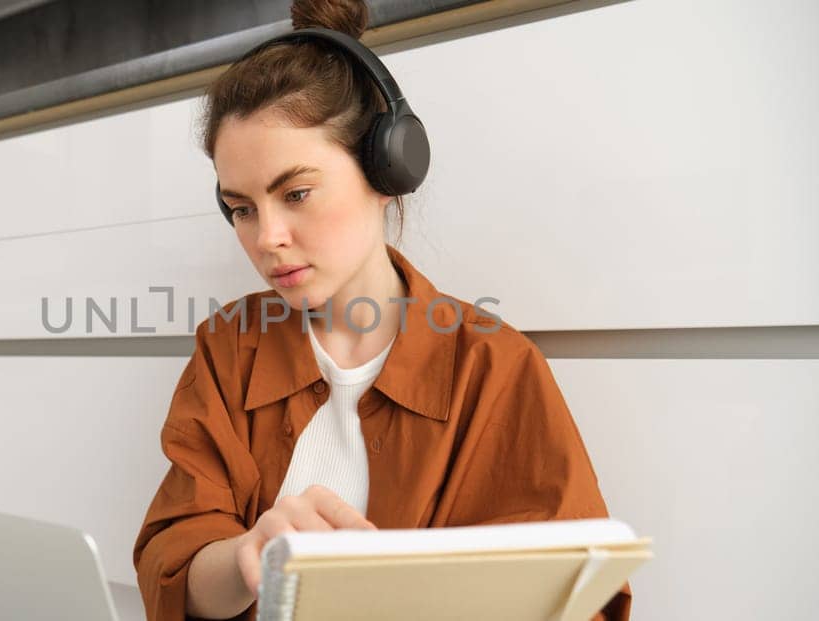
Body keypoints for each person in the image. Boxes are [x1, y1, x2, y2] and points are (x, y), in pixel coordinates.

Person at [130, 0, 630, 620]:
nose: (266, 237)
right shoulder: (230, 345)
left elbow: (580, 598)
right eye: (242, 208)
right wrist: (246, 555)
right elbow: (171, 564)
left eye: (297, 193)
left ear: (386, 170)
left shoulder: (495, 367)